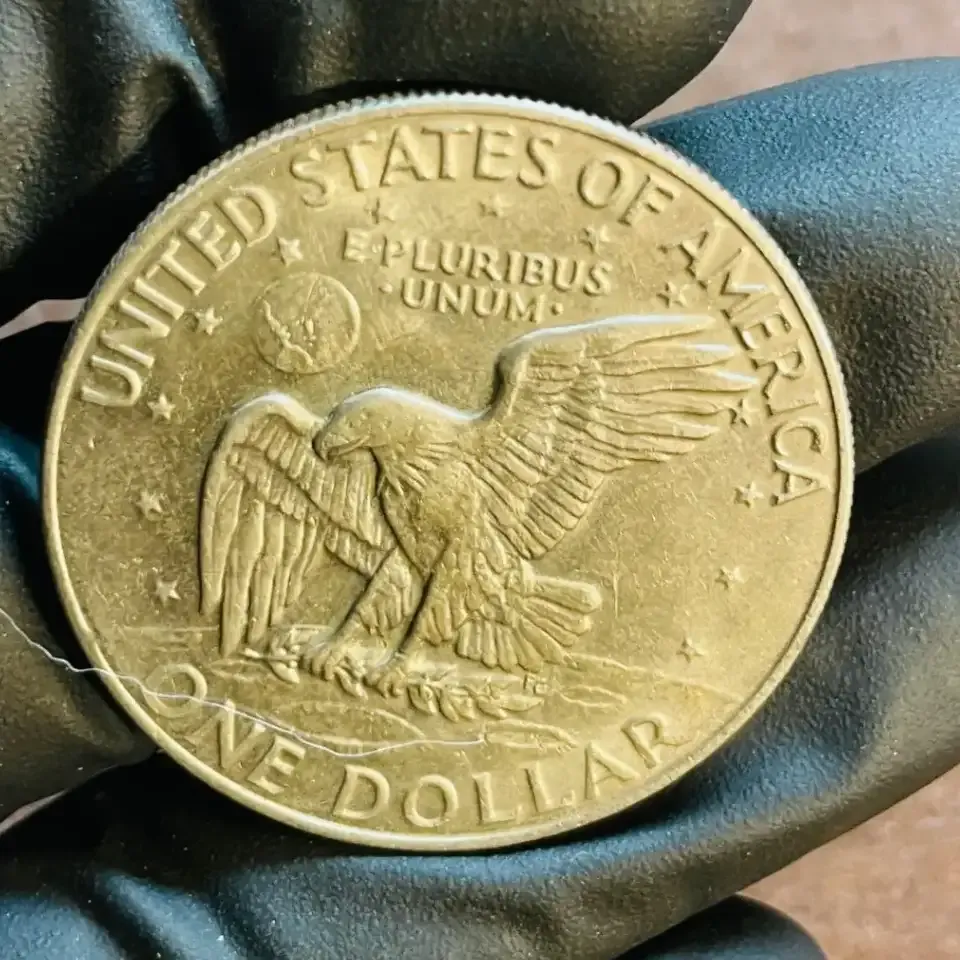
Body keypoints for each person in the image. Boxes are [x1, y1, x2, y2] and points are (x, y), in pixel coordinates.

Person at [1, 1, 959, 956]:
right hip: (422, 596)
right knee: (296, 468)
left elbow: (453, 561)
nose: (343, 441)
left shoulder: (519, 418)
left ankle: (414, 660)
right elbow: (393, 561)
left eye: (358, 429)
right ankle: (382, 653)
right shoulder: (378, 473)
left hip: (492, 579)